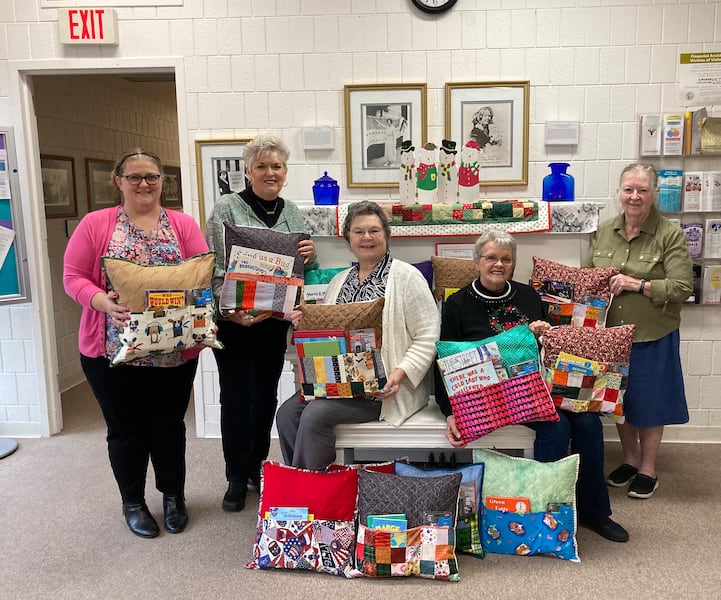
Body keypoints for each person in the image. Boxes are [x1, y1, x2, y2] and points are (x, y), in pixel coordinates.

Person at [435, 229, 629, 543]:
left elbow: (543, 353)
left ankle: (595, 511)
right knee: (556, 427)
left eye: (505, 259)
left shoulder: (528, 296)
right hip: (488, 397)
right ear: (477, 261)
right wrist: (449, 411)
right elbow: (442, 360)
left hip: (532, 387)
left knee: (589, 422)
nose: (498, 264)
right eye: (490, 258)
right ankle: (541, 510)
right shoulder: (457, 304)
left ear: (513, 264)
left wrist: (541, 334)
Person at [63, 149, 208, 539]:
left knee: (167, 426)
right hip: (110, 352)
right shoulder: (96, 225)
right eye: (134, 177)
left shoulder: (181, 224)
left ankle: (173, 497)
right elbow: (73, 276)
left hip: (174, 351)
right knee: (125, 429)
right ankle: (133, 502)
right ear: (118, 181)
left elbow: (201, 275)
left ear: (163, 181)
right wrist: (101, 301)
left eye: (152, 176)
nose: (144, 184)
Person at [277, 201, 439, 471]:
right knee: (287, 414)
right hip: (338, 383)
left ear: (387, 235)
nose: (367, 238)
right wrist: (305, 323)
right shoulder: (339, 281)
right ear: (348, 238)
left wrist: (397, 376)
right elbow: (326, 336)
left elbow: (428, 336)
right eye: (358, 231)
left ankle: (315, 495)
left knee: (316, 415)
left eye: (374, 231)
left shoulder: (407, 277)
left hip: (383, 392)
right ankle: (302, 483)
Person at [205, 134, 318, 512]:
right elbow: (215, 264)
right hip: (235, 320)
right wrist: (227, 310)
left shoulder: (293, 212)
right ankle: (236, 475)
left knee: (265, 396)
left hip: (273, 321)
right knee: (236, 398)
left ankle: (256, 466)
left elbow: (303, 269)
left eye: (277, 166)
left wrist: (311, 254)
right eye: (262, 166)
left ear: (285, 173)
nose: (270, 172)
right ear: (249, 171)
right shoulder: (227, 207)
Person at [585, 162, 693, 499]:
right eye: (629, 189)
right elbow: (590, 275)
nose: (634, 196)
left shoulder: (669, 235)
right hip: (611, 336)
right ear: (619, 193)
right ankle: (629, 459)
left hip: (651, 333)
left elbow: (681, 287)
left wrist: (638, 283)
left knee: (650, 403)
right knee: (618, 401)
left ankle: (648, 468)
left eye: (642, 190)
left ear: (654, 194)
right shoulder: (603, 231)